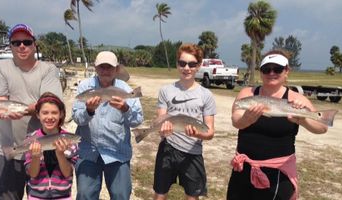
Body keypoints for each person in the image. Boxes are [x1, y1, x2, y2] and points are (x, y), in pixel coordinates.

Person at [226, 49, 328, 200]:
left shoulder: (296, 99)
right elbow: (236, 121)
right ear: (261, 72)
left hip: (279, 173)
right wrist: (248, 119)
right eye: (266, 69)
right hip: (243, 170)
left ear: (287, 71)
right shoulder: (247, 94)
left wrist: (303, 119)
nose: (271, 73)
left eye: (277, 69)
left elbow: (322, 127)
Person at [0, 23, 63, 200]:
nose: (22, 46)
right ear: (10, 46)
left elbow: (49, 105)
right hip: (9, 149)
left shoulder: (48, 69)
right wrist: (2, 107)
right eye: (16, 42)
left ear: (34, 44)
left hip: (44, 149)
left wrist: (17, 109)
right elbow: (0, 101)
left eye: (27, 42)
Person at [72, 51, 144, 200]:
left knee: (121, 195)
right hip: (89, 151)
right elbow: (77, 118)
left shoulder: (125, 89)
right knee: (85, 195)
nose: (105, 71)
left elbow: (138, 120)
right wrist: (89, 111)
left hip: (117, 151)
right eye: (102, 67)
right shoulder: (85, 87)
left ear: (116, 69)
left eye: (109, 67)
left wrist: (125, 109)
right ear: (95, 68)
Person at [153, 43, 216, 200]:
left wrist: (198, 135)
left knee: (192, 196)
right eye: (182, 63)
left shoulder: (206, 95)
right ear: (177, 64)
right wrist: (163, 129)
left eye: (192, 64)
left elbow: (209, 132)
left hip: (193, 153)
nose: (186, 68)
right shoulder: (165, 91)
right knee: (159, 195)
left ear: (198, 66)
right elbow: (161, 119)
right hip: (167, 149)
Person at [25, 92, 78, 200]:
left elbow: (67, 173)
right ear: (38, 115)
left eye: (54, 112)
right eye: (45, 113)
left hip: (63, 196)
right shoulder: (30, 139)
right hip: (36, 196)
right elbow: (32, 174)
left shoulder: (69, 141)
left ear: (61, 114)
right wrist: (35, 157)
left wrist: (60, 154)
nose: (49, 117)